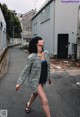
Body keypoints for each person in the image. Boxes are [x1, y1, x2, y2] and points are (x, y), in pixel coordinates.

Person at [15, 36, 51, 117]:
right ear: (36, 43)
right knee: (44, 100)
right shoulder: (32, 57)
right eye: (40, 40)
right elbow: (26, 70)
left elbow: (48, 67)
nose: (42, 40)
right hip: (35, 80)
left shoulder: (46, 53)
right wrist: (19, 83)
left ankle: (28, 104)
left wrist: (49, 78)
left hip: (42, 80)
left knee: (35, 94)